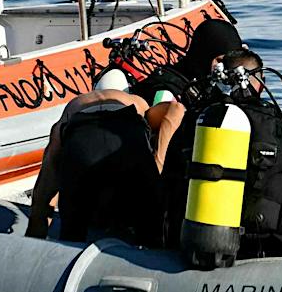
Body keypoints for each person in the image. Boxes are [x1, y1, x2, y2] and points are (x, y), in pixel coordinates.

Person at [27, 69, 185, 244]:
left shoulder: (75, 105)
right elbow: (176, 109)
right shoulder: (136, 102)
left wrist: (34, 234)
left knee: (71, 236)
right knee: (151, 228)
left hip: (81, 144)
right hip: (127, 140)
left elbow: (47, 180)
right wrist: (157, 163)